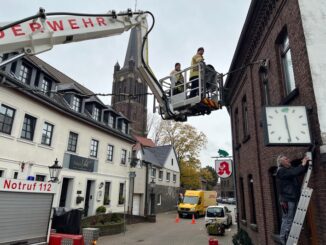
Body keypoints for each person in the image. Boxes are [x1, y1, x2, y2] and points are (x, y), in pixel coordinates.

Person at [276, 154, 309, 244]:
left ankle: (285, 235)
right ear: (281, 162)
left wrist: (302, 164)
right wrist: (303, 164)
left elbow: (295, 171)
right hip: (287, 199)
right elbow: (294, 172)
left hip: (290, 198)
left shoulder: (287, 170)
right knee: (288, 218)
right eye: (286, 159)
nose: (289, 160)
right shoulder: (281, 171)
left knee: (288, 218)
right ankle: (285, 238)